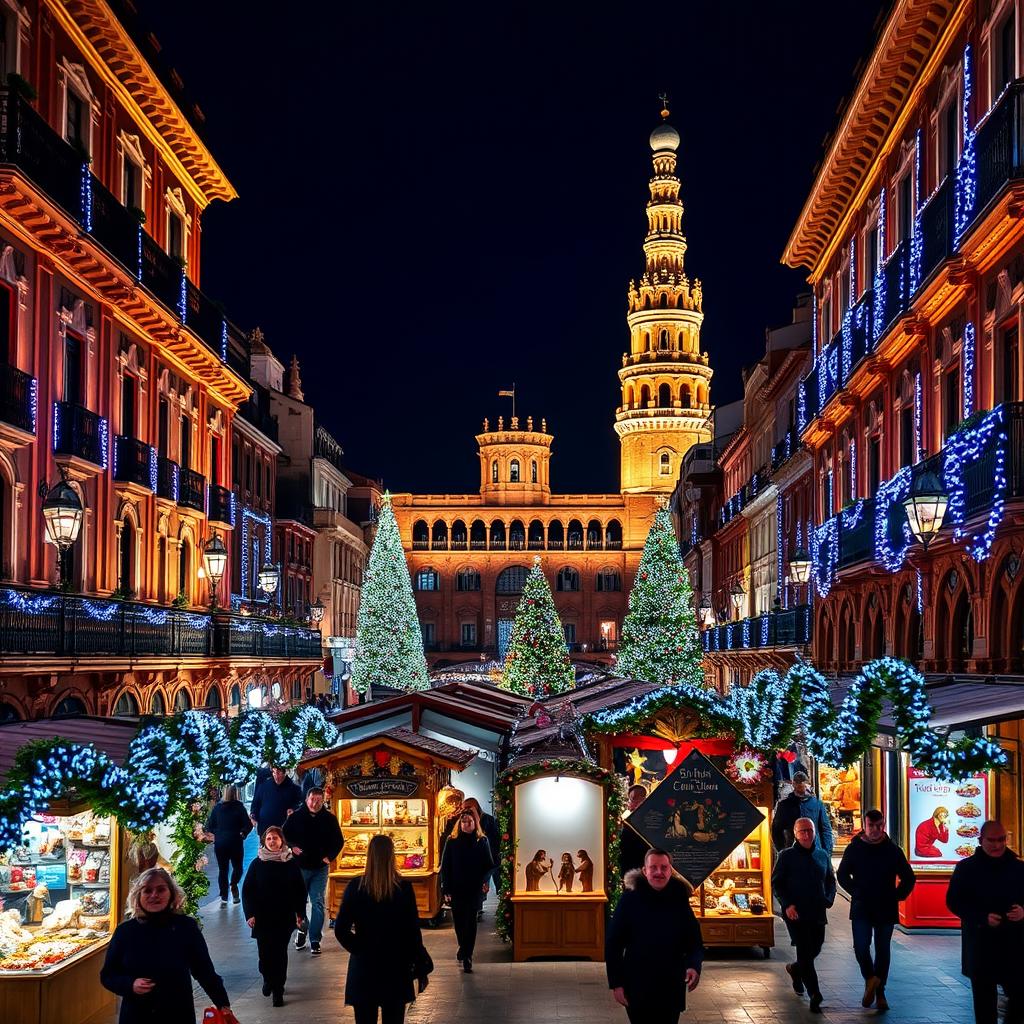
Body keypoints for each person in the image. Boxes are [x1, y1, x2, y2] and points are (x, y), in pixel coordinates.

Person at [100, 867, 236, 1024]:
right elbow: (108, 975)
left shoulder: (186, 928)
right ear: (138, 896)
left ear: (171, 894)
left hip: (177, 1013)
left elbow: (204, 971)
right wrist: (130, 984)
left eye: (161, 890)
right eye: (147, 891)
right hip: (137, 1016)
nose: (154, 895)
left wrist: (222, 1004)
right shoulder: (125, 932)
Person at [335, 834, 429, 1024]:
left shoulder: (356, 886)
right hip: (396, 964)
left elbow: (340, 929)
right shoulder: (403, 888)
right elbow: (412, 932)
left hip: (364, 967)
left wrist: (359, 948)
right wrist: (420, 965)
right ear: (392, 856)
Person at [606, 847, 703, 1024]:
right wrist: (616, 983)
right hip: (637, 984)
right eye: (653, 867)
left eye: (664, 867)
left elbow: (694, 940)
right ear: (645, 870)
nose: (659, 872)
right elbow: (613, 944)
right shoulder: (629, 900)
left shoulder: (679, 898)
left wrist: (693, 966)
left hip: (671, 984)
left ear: (670, 870)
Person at [836, 808, 916, 1012]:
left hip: (885, 907)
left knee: (882, 950)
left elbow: (909, 877)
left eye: (879, 826)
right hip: (862, 906)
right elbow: (842, 874)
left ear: (884, 825)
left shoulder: (892, 850)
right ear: (864, 825)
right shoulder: (855, 849)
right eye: (871, 826)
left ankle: (880, 993)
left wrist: (897, 896)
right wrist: (856, 892)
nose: (875, 830)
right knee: (861, 947)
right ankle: (870, 979)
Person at [946, 819, 1024, 1024]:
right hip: (981, 945)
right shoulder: (966, 868)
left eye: (1001, 840)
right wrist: (981, 917)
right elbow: (954, 901)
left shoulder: (1018, 868)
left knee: (1019, 996)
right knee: (984, 1004)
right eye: (992, 840)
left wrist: (1023, 912)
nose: (997, 845)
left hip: (1014, 945)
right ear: (981, 840)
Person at [772, 817, 836, 1014]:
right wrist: (787, 904)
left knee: (815, 948)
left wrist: (828, 898)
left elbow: (830, 880)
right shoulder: (786, 856)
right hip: (796, 913)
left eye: (809, 830)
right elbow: (777, 883)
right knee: (806, 952)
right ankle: (815, 994)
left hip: (817, 911)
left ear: (815, 831)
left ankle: (795, 969)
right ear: (795, 833)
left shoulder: (822, 855)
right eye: (802, 831)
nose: (806, 834)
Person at [241, 826, 308, 1007]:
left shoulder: (290, 863)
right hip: (262, 917)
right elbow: (247, 891)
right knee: (265, 954)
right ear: (264, 841)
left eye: (275, 838)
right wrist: (250, 914)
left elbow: (300, 891)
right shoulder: (257, 864)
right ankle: (267, 978)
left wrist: (300, 913)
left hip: (284, 916)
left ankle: (278, 988)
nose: (272, 841)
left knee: (279, 953)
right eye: (269, 838)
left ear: (281, 841)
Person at [283, 785, 344, 955]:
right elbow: (284, 834)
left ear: (323, 801)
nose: (315, 803)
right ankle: (303, 929)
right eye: (312, 799)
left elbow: (339, 841)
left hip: (319, 868)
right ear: (306, 800)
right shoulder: (295, 817)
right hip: (300, 867)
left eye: (318, 800)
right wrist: (292, 846)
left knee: (317, 903)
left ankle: (315, 939)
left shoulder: (329, 819)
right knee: (298, 903)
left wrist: (329, 857)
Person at [439, 808, 493, 972]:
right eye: (463, 821)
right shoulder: (452, 841)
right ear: (459, 823)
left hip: (474, 888)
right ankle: (463, 947)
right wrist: (445, 888)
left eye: (469, 822)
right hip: (456, 888)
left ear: (475, 823)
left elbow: (489, 865)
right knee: (459, 922)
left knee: (470, 921)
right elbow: (445, 866)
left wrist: (485, 881)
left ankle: (468, 954)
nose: (466, 824)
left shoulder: (481, 841)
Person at [203, 785, 253, 905]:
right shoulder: (238, 807)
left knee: (224, 870)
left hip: (223, 843)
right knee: (237, 868)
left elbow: (209, 826)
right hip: (234, 842)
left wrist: (217, 834)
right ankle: (233, 886)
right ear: (235, 793)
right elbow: (248, 824)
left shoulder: (217, 808)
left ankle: (225, 895)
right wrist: (243, 833)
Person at [771, 772, 834, 855]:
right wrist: (782, 851)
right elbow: (776, 830)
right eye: (797, 783)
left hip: (815, 851)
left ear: (807, 784)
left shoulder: (817, 804)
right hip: (793, 851)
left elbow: (825, 829)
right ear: (793, 784)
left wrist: (826, 852)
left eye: (802, 783)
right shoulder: (785, 805)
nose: (800, 786)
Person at [462, 797, 500, 920]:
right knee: (478, 883)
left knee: (490, 881)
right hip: (474, 859)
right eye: (465, 808)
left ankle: (481, 907)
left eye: (469, 807)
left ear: (476, 806)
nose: (467, 810)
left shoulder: (488, 820)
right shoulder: (464, 821)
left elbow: (493, 839)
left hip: (489, 857)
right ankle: (477, 908)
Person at [250, 765, 303, 838]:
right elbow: (256, 803)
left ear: (285, 773)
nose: (276, 776)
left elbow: (300, 803)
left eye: (279, 773)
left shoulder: (295, 788)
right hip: (264, 830)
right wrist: (253, 815)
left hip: (283, 830)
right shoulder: (263, 785)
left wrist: (293, 809)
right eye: (274, 773)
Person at [619, 784, 650, 877]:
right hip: (628, 871)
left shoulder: (651, 822)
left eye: (634, 798)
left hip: (646, 871)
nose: (631, 804)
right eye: (631, 799)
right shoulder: (625, 822)